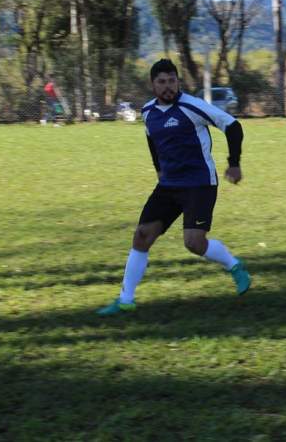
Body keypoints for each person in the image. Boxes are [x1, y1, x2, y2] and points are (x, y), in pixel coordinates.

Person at [96, 58, 251, 316]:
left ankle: (234, 266)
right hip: (168, 186)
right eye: (162, 82)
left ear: (178, 82)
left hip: (199, 184)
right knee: (142, 236)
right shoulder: (148, 112)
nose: (167, 87)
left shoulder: (193, 106)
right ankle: (125, 300)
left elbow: (233, 127)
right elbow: (152, 140)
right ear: (153, 85)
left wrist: (233, 164)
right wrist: (159, 169)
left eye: (172, 81)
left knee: (193, 243)